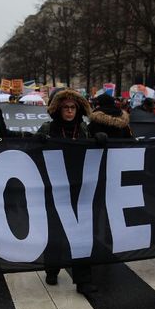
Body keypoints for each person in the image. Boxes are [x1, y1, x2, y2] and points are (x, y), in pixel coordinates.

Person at [37, 89, 99, 297]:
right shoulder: (48, 128)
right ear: (58, 109)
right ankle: (52, 268)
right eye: (66, 107)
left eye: (73, 107)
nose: (70, 111)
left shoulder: (84, 129)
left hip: (80, 188)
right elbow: (34, 157)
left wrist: (100, 141)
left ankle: (83, 281)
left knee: (81, 234)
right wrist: (38, 143)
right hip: (54, 188)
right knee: (55, 231)